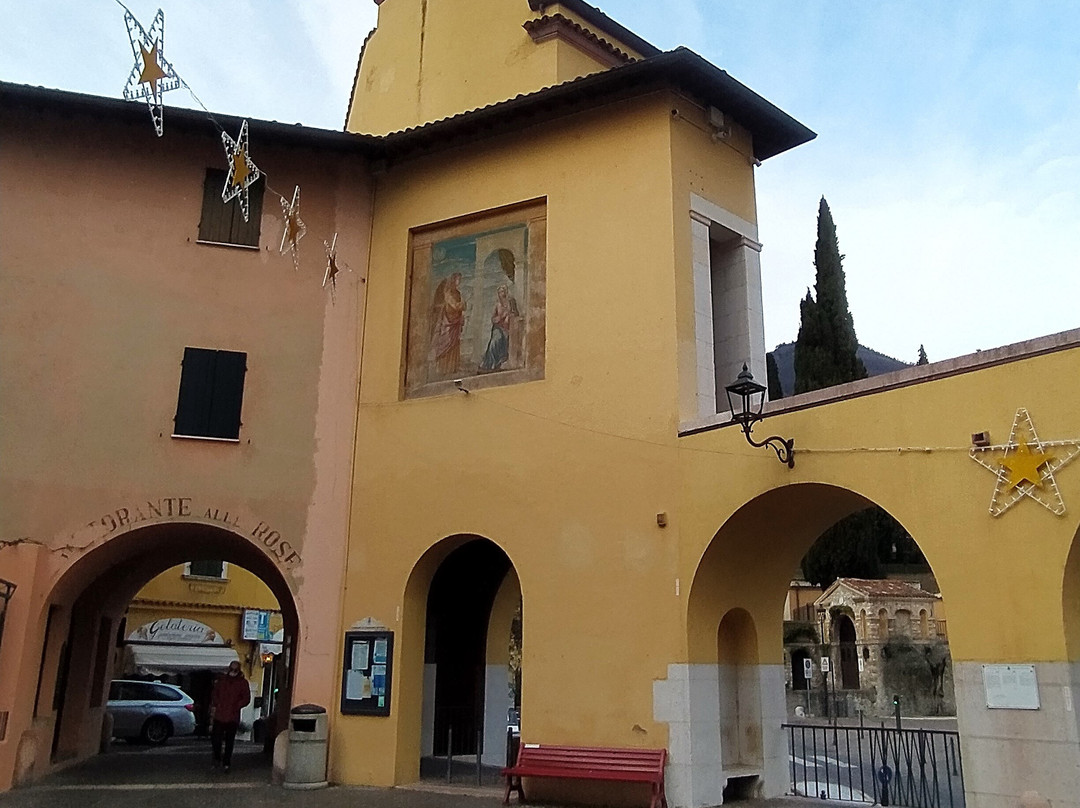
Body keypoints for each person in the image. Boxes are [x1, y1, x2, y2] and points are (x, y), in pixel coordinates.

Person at [210, 660, 250, 773]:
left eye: (235, 670)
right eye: (231, 669)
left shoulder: (242, 683)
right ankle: (217, 759)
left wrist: (236, 706)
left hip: (232, 716)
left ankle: (226, 762)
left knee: (229, 741)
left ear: (239, 670)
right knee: (216, 740)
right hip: (221, 714)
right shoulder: (222, 681)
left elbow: (246, 698)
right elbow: (215, 694)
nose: (233, 672)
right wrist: (218, 704)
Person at [427, 272, 466, 377]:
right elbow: (454, 305)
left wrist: (461, 307)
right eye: (458, 279)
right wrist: (461, 305)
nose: (459, 282)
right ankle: (443, 368)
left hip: (456, 321)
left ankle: (453, 367)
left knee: (455, 342)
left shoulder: (458, 293)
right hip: (448, 321)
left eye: (460, 279)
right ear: (453, 280)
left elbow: (461, 306)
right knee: (447, 341)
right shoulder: (448, 293)